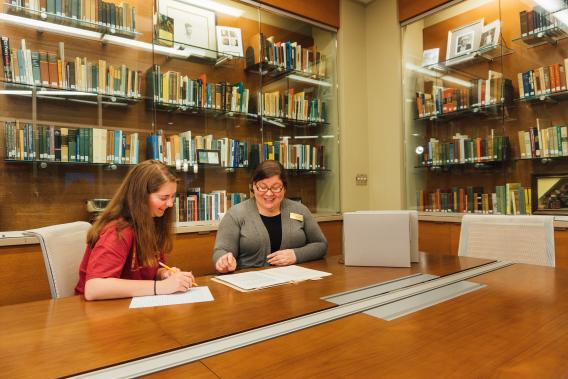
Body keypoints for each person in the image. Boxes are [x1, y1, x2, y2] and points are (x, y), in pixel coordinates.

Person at [75, 160, 195, 300]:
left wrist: (162, 274)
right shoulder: (117, 230)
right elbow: (94, 288)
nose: (170, 204)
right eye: (164, 197)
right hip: (95, 311)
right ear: (141, 196)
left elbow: (146, 270)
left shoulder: (152, 222)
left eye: (172, 197)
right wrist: (161, 287)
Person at [213, 160, 327, 273]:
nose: (269, 193)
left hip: (293, 282)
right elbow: (221, 251)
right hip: (250, 283)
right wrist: (224, 261)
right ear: (253, 186)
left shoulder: (300, 210)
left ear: (284, 188)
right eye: (262, 187)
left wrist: (296, 255)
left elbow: (321, 245)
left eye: (276, 188)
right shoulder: (235, 214)